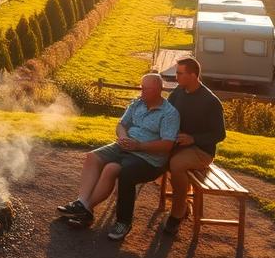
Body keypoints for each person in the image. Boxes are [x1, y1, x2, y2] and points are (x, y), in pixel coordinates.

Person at [57, 73, 179, 241]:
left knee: (115, 169)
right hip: (126, 146)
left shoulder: (169, 113)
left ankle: (121, 221)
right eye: (141, 87)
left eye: (145, 88)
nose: (141, 91)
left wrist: (139, 146)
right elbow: (121, 124)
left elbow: (167, 145)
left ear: (158, 90)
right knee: (92, 157)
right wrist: (123, 138)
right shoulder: (137, 103)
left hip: (149, 158)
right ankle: (82, 203)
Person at [162, 56, 227, 235]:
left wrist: (193, 139)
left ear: (193, 75)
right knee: (153, 154)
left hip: (201, 151)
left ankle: (177, 213)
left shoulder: (211, 102)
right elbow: (166, 113)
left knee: (176, 164)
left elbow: (219, 134)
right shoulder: (178, 93)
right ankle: (183, 201)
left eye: (179, 74)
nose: (176, 77)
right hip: (179, 145)